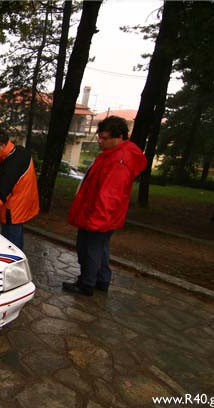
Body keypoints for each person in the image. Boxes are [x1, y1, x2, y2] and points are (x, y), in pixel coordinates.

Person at [63, 115, 147, 296]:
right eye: (100, 137)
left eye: (105, 138)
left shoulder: (119, 161)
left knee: (88, 249)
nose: (100, 141)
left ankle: (86, 284)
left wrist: (97, 220)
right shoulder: (113, 155)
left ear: (120, 137)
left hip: (98, 215)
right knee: (100, 249)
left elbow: (110, 195)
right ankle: (101, 280)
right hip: (99, 214)